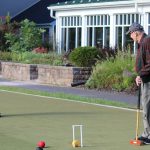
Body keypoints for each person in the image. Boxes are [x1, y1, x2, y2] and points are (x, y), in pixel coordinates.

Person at [126, 22, 150, 144]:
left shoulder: (147, 42)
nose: (130, 36)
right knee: (146, 108)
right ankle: (147, 134)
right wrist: (139, 75)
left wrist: (142, 74)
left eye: (130, 34)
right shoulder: (141, 44)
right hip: (145, 79)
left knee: (148, 108)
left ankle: (149, 135)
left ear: (136, 33)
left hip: (149, 80)